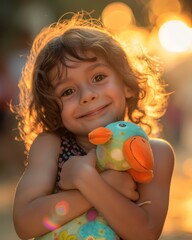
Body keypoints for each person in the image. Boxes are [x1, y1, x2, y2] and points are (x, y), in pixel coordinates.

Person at [12, 12, 175, 240]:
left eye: (98, 77)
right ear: (54, 109)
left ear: (126, 83)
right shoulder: (51, 146)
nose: (87, 96)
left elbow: (145, 233)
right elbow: (25, 223)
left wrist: (86, 180)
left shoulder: (153, 153)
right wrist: (101, 183)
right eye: (67, 91)